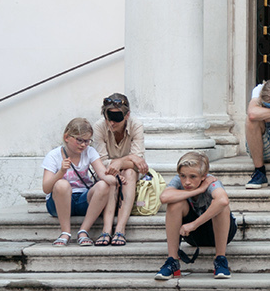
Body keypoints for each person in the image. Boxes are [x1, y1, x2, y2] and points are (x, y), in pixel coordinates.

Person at [155, 152, 236, 280]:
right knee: (174, 204)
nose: (187, 181)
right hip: (192, 235)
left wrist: (194, 224)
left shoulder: (212, 182)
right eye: (183, 176)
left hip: (218, 232)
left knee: (221, 205)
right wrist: (198, 189)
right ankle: (173, 261)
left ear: (204, 176)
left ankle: (220, 259)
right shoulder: (179, 180)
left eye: (193, 177)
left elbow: (223, 201)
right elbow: (164, 197)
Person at [41, 117, 117, 247]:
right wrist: (60, 173)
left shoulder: (89, 152)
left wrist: (116, 178)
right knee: (62, 184)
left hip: (82, 199)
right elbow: (46, 188)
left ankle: (83, 231)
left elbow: (102, 174)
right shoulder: (53, 155)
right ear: (67, 137)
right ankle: (65, 232)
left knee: (104, 185)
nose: (83, 145)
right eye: (79, 140)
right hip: (57, 202)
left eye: (87, 141)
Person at [92, 93, 146, 245]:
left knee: (128, 172)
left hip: (129, 173)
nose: (111, 123)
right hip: (106, 172)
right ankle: (106, 229)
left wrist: (120, 162)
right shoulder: (99, 127)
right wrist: (129, 159)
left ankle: (120, 228)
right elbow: (101, 162)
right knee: (111, 177)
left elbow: (139, 164)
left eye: (117, 118)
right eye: (108, 117)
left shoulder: (136, 125)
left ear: (127, 115)